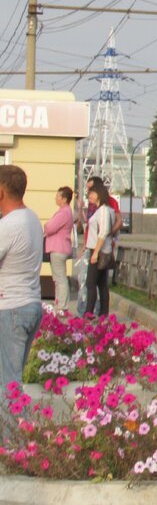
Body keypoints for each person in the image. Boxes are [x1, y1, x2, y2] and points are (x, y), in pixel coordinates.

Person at [0, 165, 45, 389]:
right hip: (30, 305)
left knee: (7, 385)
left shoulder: (8, 225)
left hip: (10, 309)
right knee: (11, 381)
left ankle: (18, 425)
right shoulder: (32, 218)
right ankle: (21, 424)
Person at [82, 181, 117, 316]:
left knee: (91, 283)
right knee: (102, 284)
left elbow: (103, 232)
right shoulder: (106, 210)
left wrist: (95, 252)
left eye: (92, 193)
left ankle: (88, 314)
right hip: (102, 249)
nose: (89, 196)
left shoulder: (103, 210)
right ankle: (103, 313)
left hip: (99, 250)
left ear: (99, 194)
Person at [43, 186, 75, 311]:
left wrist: (46, 225)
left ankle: (62, 306)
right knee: (58, 278)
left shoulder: (63, 212)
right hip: (60, 248)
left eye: (58, 196)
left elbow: (50, 228)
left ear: (64, 199)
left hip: (58, 248)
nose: (56, 198)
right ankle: (59, 303)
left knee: (60, 278)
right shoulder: (66, 211)